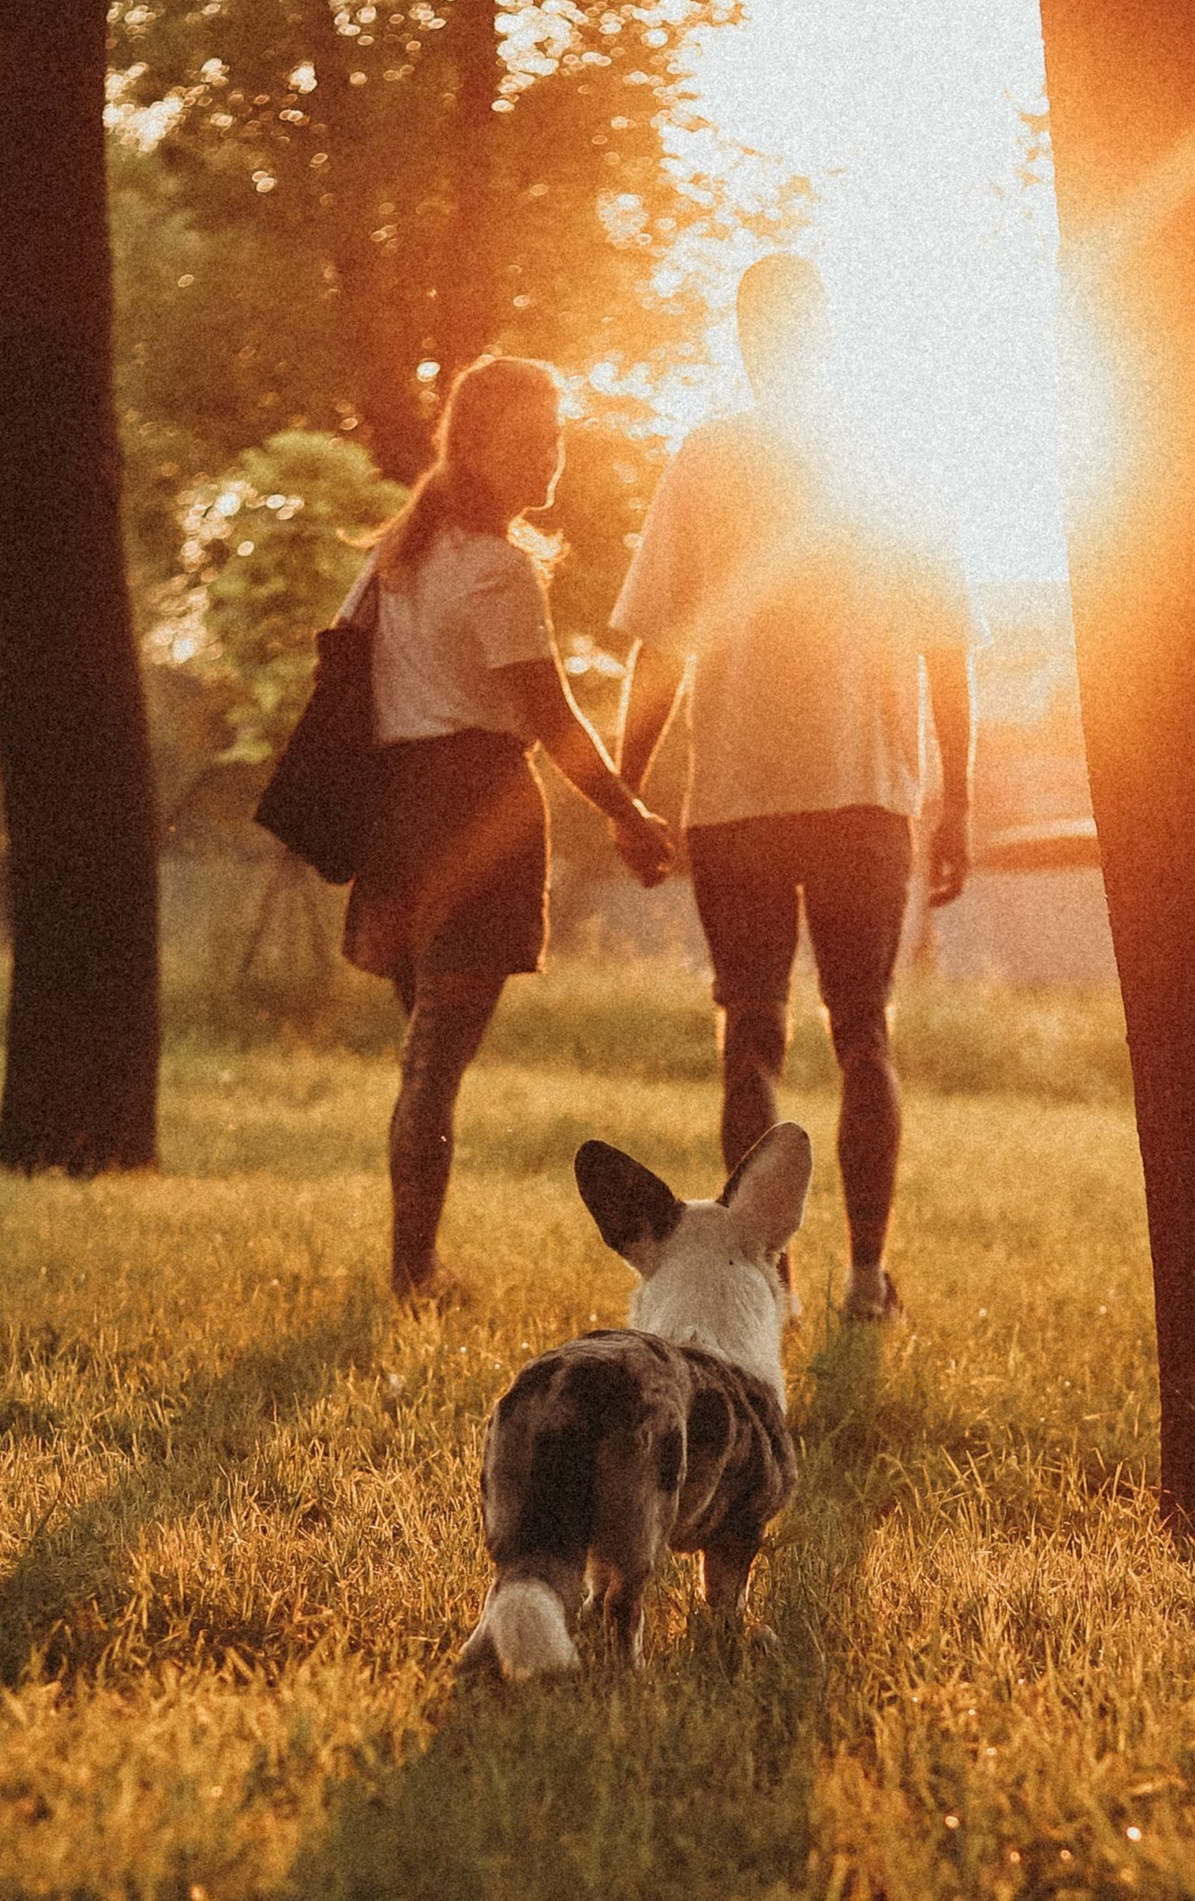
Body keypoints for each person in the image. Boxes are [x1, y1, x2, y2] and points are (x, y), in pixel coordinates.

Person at [610, 254, 974, 1323]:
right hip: (866, 789)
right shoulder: (897, 459)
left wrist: (625, 793)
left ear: (745, 338)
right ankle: (867, 1277)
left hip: (736, 795)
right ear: (829, 334)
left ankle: (772, 1279)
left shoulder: (705, 458)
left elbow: (661, 646)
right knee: (864, 1030)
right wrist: (959, 795)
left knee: (751, 1035)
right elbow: (949, 646)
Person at [342, 353, 676, 1301]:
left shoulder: (393, 561)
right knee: (435, 1061)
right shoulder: (497, 569)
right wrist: (632, 815)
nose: (553, 460)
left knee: (429, 1052)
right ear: (476, 448)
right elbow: (554, 721)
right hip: (472, 811)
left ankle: (415, 1266)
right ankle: (414, 1276)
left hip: (396, 815)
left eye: (559, 439)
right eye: (532, 443)